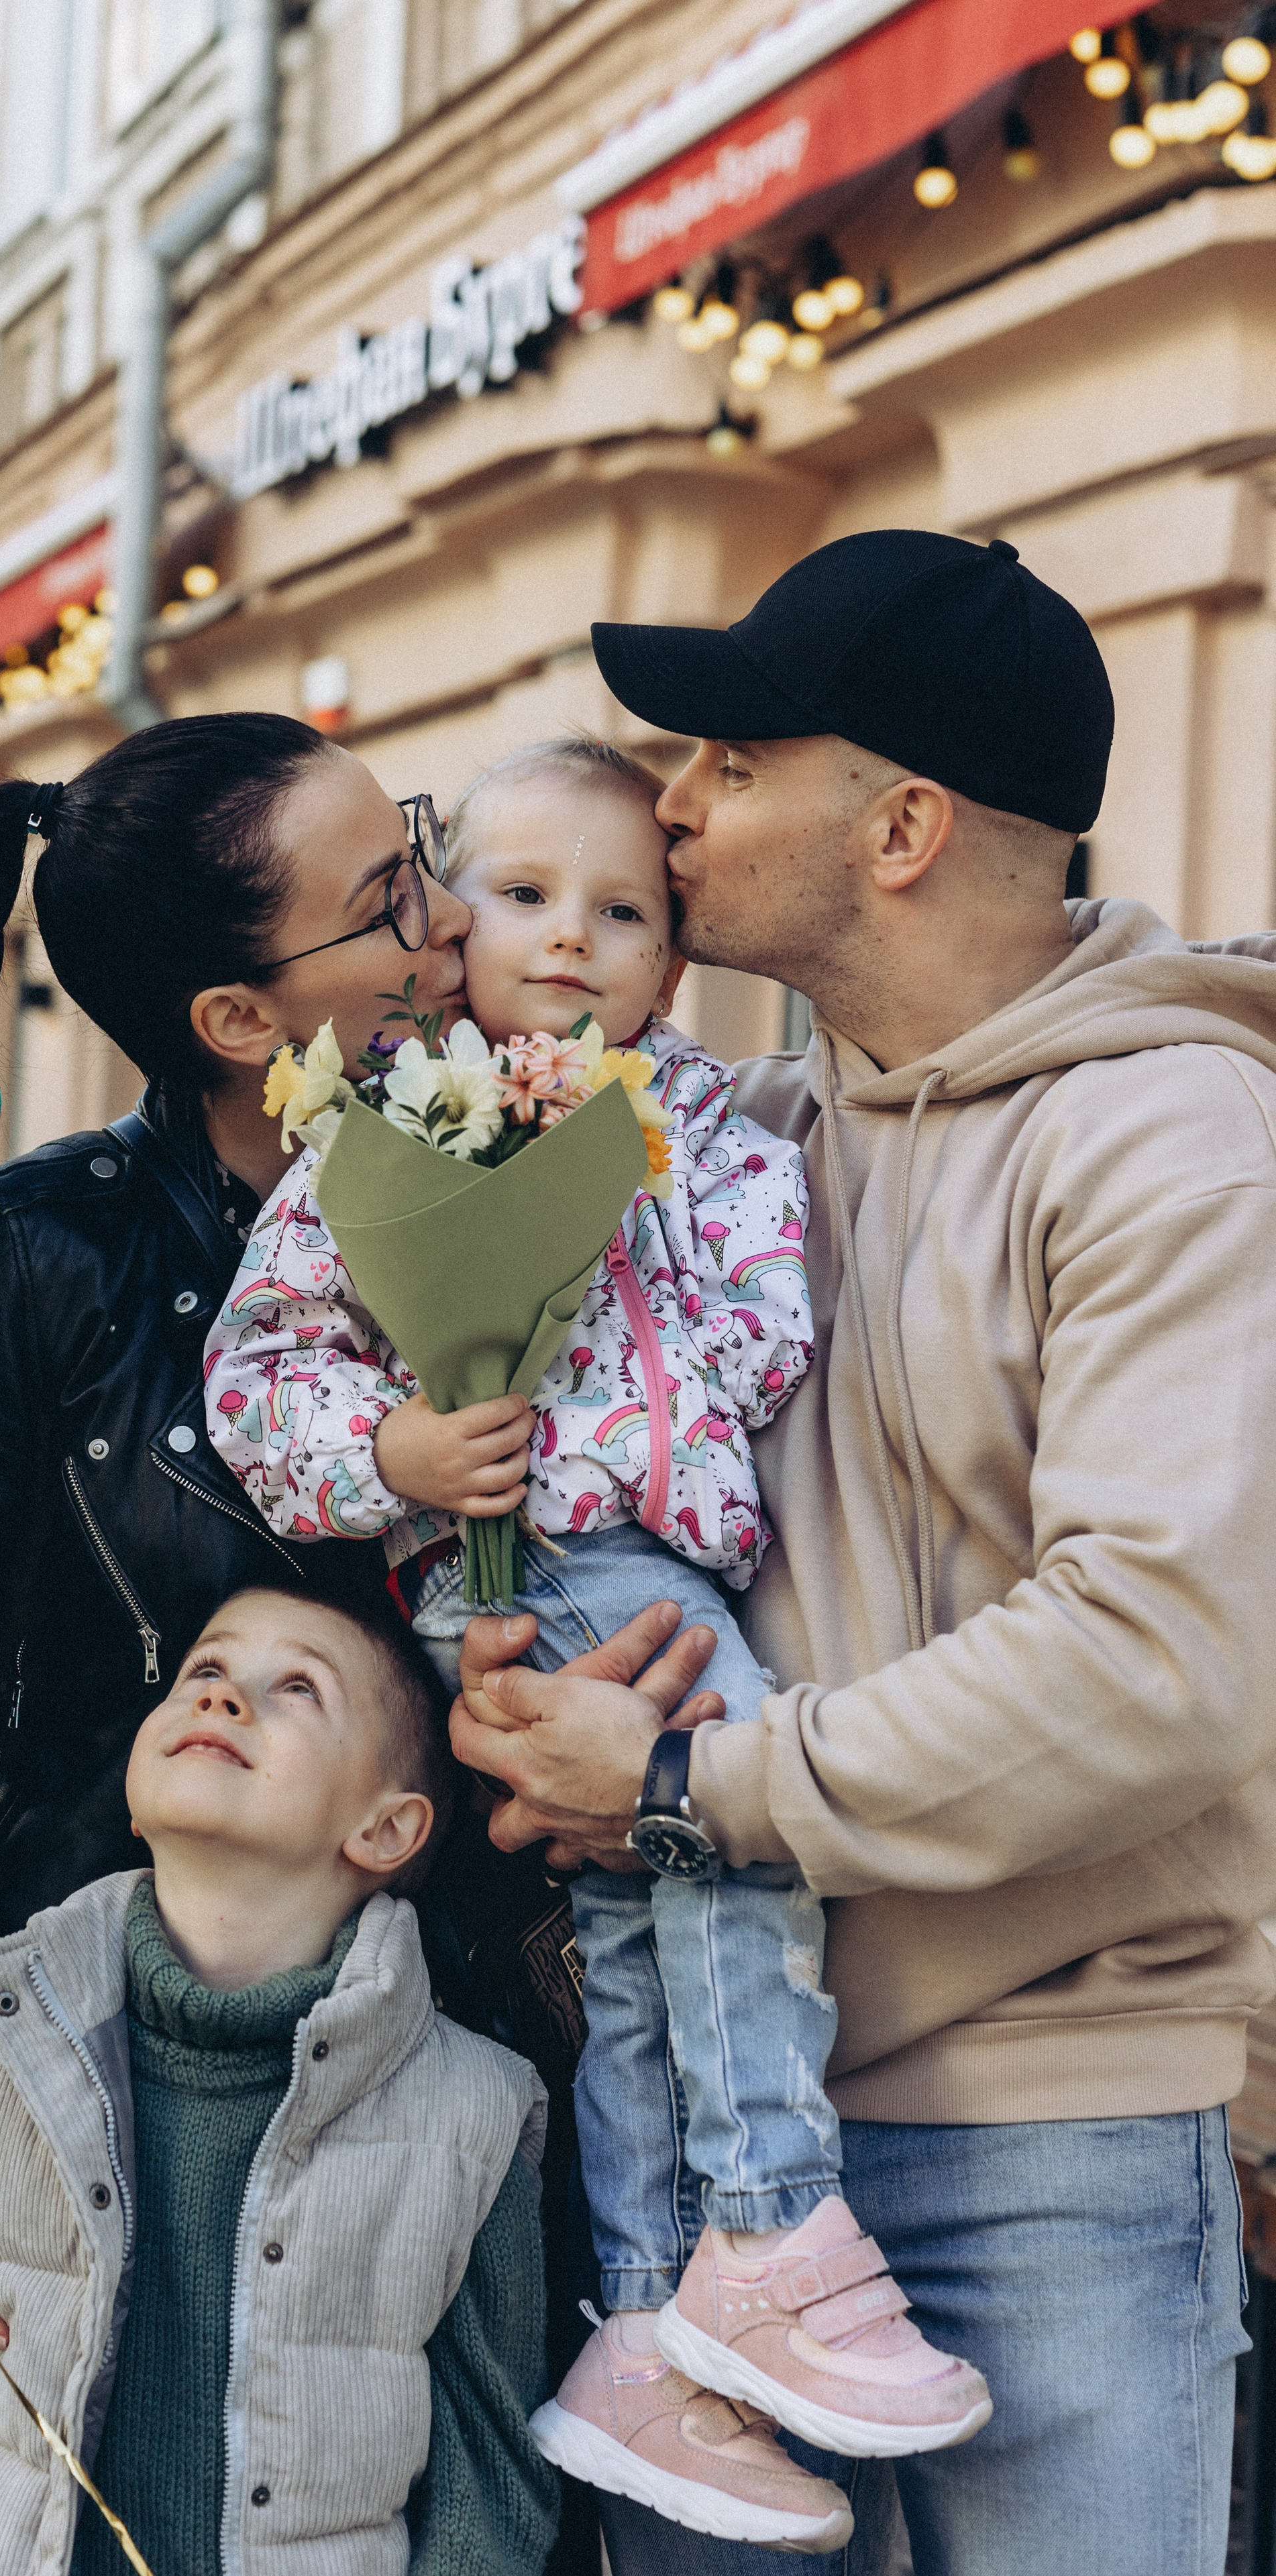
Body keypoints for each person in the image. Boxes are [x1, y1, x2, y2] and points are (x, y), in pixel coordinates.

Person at [450, 528, 1276, 2576]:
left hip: (1055, 2125)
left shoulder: (1172, 1138)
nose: (676, 798)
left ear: (900, 824)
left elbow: (1157, 1654)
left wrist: (684, 1787)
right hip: (722, 2130)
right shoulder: (724, 1146)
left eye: (733, 752)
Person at [207, 736, 987, 2543]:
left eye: (623, 910)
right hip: (524, 1558)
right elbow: (261, 1372)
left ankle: (652, 2324)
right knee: (725, 1826)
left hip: (657, 1542)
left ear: (674, 958)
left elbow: (767, 1341)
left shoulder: (709, 1126)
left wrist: (612, 1216)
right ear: (444, 928)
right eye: (527, 897)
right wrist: (397, 1449)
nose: (570, 941)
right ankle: (771, 2216)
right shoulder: (378, 1129)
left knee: (641, 1934)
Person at [0, 714, 480, 2573]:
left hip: (437, 2075)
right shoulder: (41, 1253)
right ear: (242, 1021)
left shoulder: (545, 1183)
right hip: (70, 2062)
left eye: (424, 852)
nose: (449, 919)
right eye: (392, 895)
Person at [0, 1586, 559, 2576]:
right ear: (133, 1790)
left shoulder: (476, 2116)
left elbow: (490, 2483)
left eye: (296, 1687)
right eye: (203, 1669)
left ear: (386, 1829)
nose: (224, 1697)